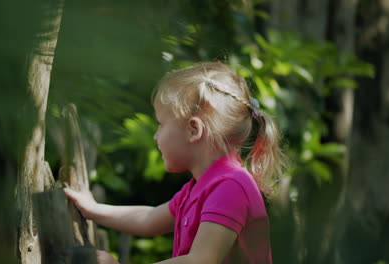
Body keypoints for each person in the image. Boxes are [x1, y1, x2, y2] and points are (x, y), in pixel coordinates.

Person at [64, 61, 287, 264]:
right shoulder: (200, 188)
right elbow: (149, 219)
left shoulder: (231, 187)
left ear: (193, 130)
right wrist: (94, 210)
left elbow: (202, 260)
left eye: (161, 124)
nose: (155, 136)